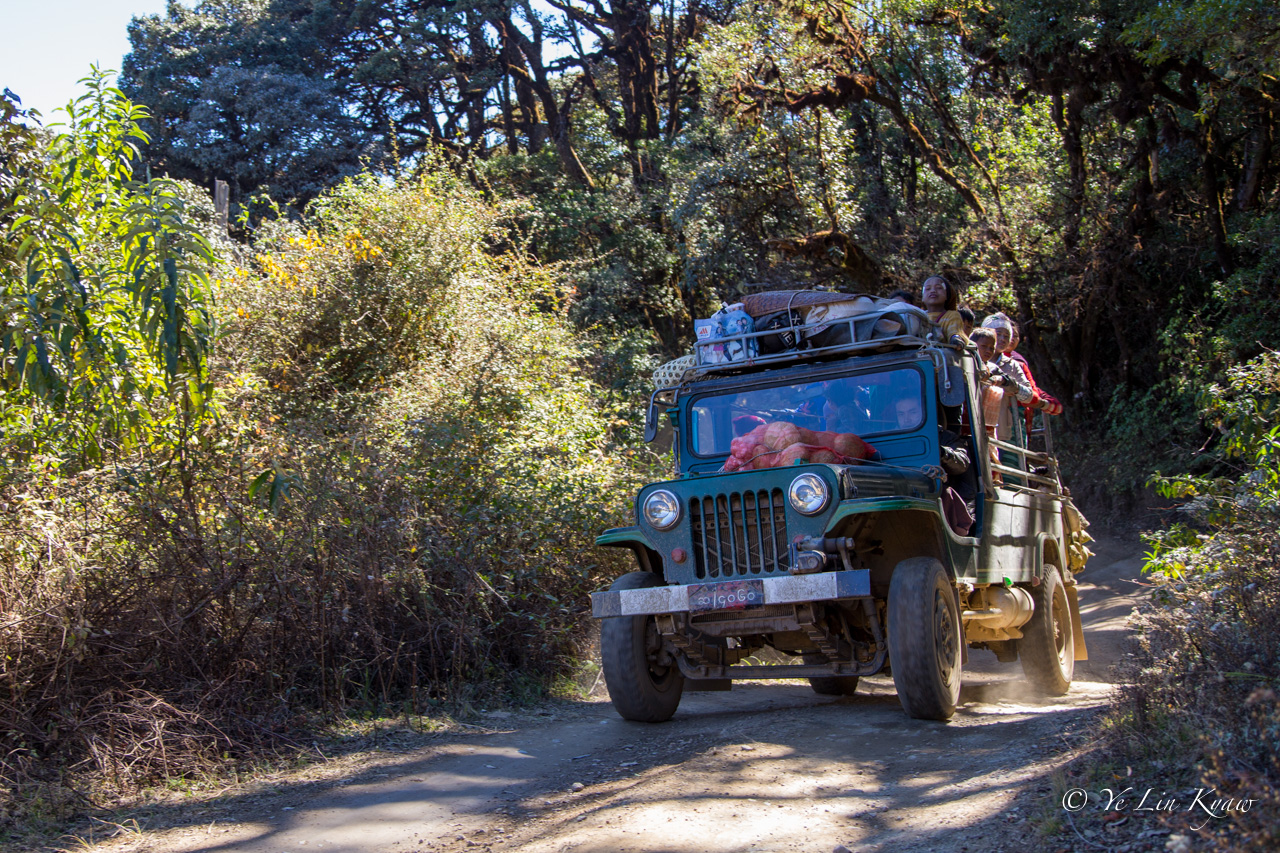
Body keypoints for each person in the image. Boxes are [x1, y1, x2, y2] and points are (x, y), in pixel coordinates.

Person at [921, 276, 968, 343]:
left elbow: (954, 332)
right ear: (922, 297)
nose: (933, 291)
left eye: (939, 288)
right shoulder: (918, 316)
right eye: (928, 289)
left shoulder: (951, 316)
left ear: (947, 295)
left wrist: (955, 339)